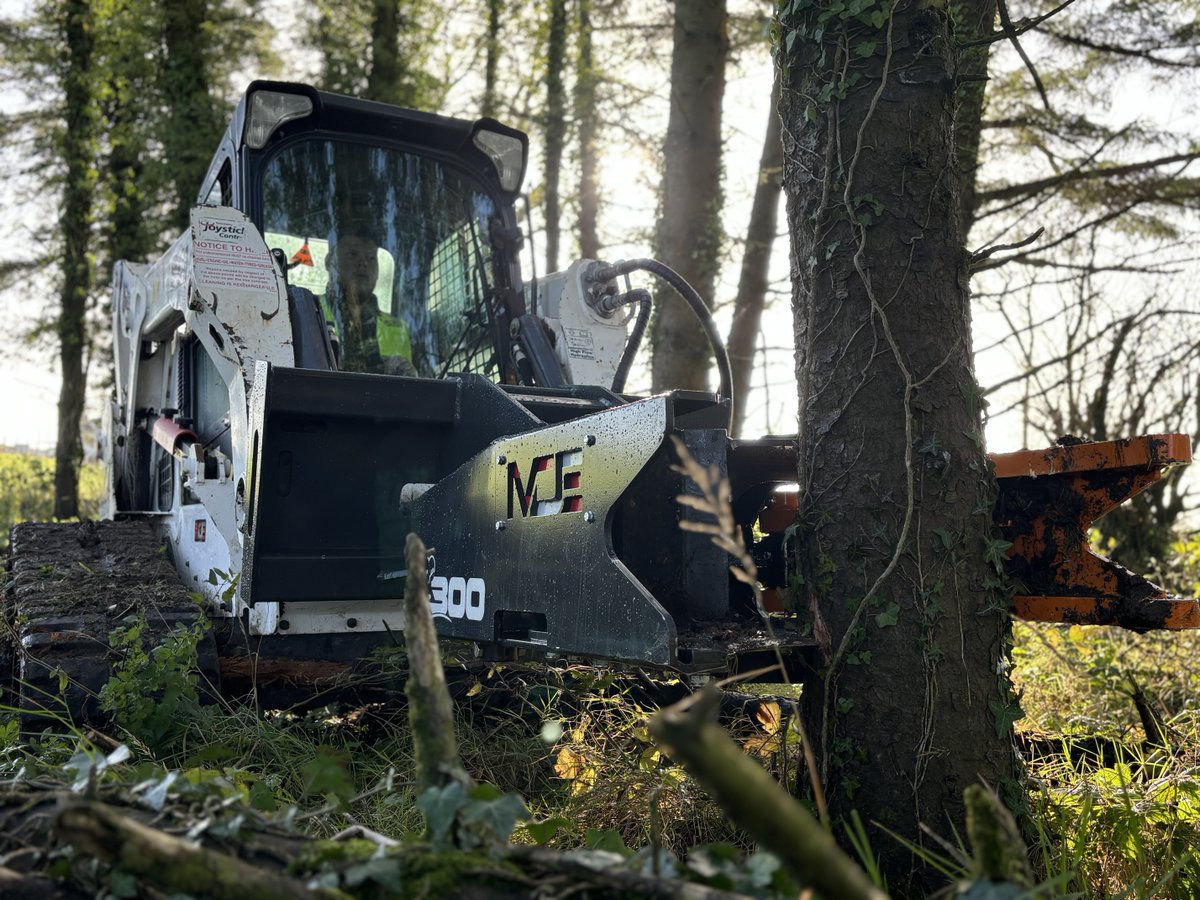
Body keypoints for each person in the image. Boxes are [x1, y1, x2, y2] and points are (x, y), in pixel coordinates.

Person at [319, 231, 417, 376]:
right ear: (330, 262)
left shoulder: (400, 329)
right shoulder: (308, 312)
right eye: (352, 254)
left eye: (371, 258)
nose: (363, 263)